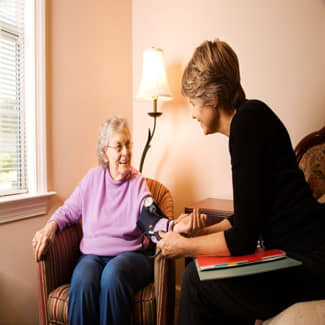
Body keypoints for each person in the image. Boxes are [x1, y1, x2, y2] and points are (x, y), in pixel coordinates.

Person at [157, 39, 325, 324]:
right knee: (204, 271)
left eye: (193, 103)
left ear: (211, 97)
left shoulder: (246, 125)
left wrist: (182, 247)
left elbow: (243, 240)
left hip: (311, 262)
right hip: (305, 254)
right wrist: (199, 233)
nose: (193, 113)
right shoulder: (251, 117)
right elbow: (248, 219)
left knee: (195, 279)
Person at [32, 116, 171, 325]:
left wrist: (174, 227)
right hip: (92, 256)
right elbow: (69, 210)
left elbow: (150, 218)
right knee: (83, 280)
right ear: (105, 153)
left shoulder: (137, 182)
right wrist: (50, 227)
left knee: (113, 275)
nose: (126, 152)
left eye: (128, 145)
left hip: (130, 256)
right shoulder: (92, 179)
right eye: (118, 146)